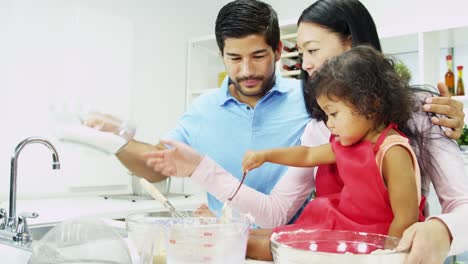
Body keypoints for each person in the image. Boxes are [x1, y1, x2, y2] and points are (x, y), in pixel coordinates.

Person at [79, 0, 467, 263]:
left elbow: (460, 207)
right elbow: (278, 212)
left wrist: (442, 230)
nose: (307, 65)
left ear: (351, 43)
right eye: (303, 53)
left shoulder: (421, 111)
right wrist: (201, 172)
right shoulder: (321, 125)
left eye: (313, 50)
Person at [240, 45, 433, 260]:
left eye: (333, 114)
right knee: (268, 235)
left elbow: (406, 217)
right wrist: (265, 155)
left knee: (261, 246)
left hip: (368, 243)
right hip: (340, 228)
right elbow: (307, 155)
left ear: (371, 104)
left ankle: (230, 240)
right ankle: (233, 235)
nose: (329, 124)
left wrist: (385, 256)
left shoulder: (392, 151)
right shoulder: (349, 143)